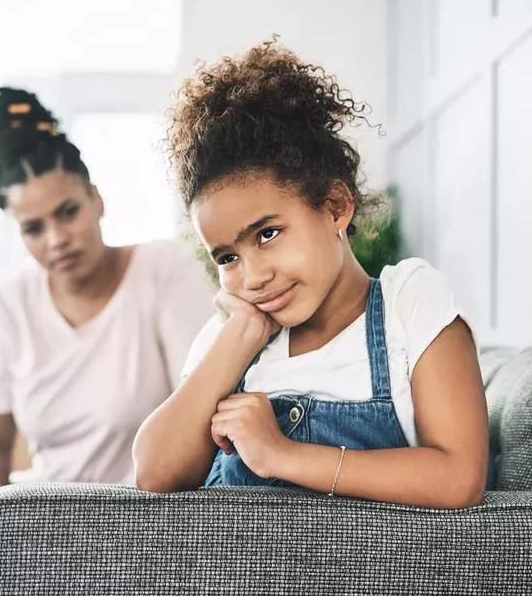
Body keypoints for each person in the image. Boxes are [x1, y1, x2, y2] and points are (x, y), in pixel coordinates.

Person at [0, 87, 215, 596]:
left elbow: (203, 400)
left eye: (67, 212)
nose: (56, 239)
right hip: (29, 509)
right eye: (33, 228)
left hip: (126, 514)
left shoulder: (161, 270)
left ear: (96, 199)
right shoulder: (13, 305)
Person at [133, 39, 491, 507]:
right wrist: (242, 333)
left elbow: (459, 478)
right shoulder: (230, 341)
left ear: (336, 207)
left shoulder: (410, 304)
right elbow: (156, 473)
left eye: (267, 235)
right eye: (227, 258)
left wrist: (282, 454)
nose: (253, 276)